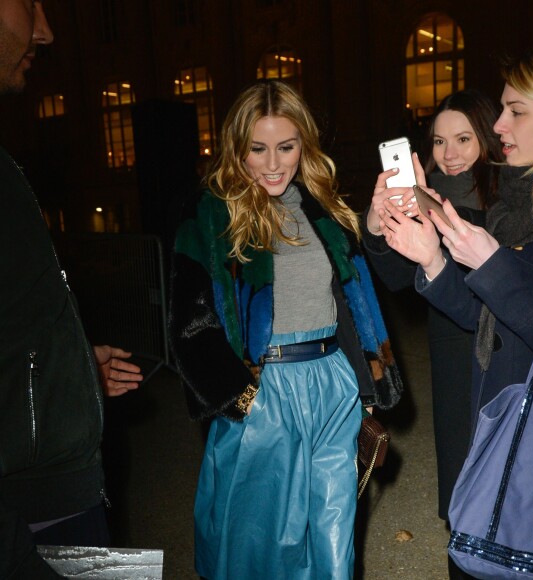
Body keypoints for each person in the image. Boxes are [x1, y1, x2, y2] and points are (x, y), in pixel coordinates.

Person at [169, 79, 403, 579]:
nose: (273, 163)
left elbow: (355, 302)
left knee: (333, 537)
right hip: (264, 391)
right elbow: (191, 320)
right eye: (258, 148)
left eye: (286, 146)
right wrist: (238, 394)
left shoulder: (322, 208)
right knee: (262, 547)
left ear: (304, 145)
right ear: (237, 149)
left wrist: (364, 381)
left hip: (332, 385)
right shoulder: (213, 213)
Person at [371, 35, 533, 570]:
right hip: (495, 403)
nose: (501, 127)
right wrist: (429, 256)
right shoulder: (521, 202)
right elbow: (487, 316)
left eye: (514, 111)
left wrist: (489, 264)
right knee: (477, 532)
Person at [0, 2, 143, 577]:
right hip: (34, 511)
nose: (46, 29)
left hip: (59, 489)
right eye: (29, 3)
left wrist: (73, 370)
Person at [363, 89, 503, 576]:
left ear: (488, 136)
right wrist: (378, 224)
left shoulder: (513, 196)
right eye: (440, 140)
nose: (450, 152)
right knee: (463, 484)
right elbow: (397, 278)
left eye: (464, 138)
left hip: (507, 355)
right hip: (453, 356)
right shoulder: (428, 197)